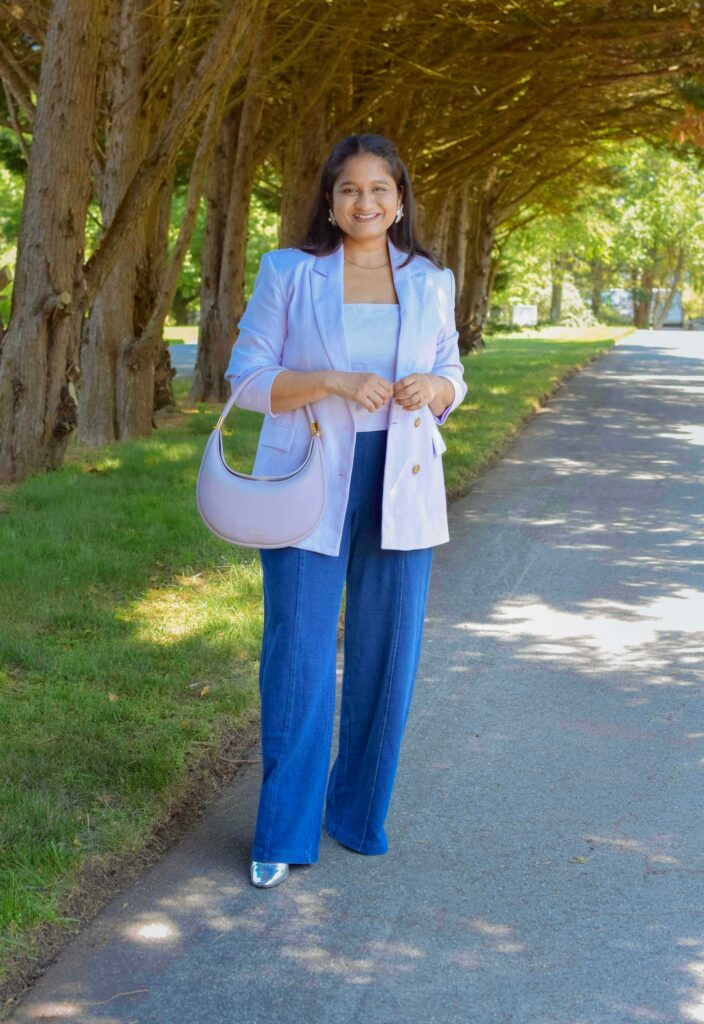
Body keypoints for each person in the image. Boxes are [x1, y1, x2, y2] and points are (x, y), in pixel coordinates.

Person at [225, 133, 467, 888]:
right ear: (328, 202)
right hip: (308, 477)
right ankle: (282, 832)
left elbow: (452, 373)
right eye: (350, 190)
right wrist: (330, 378)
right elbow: (247, 376)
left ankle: (358, 815)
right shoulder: (290, 274)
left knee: (386, 653)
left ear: (400, 201)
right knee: (297, 656)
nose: (365, 203)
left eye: (379, 190)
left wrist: (437, 391)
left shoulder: (430, 279)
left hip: (402, 481)